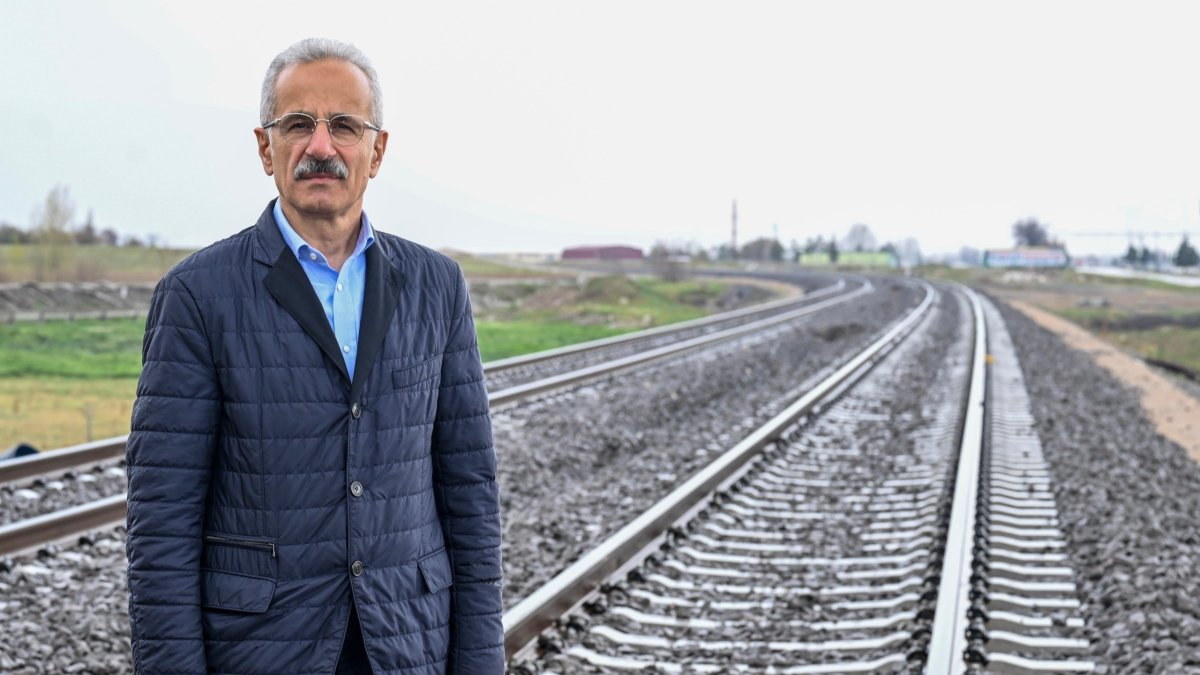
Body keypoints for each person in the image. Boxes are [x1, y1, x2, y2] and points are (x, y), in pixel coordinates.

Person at [125, 38, 503, 674]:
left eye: (345, 127)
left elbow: (470, 496)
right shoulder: (197, 295)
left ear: (376, 150)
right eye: (298, 124)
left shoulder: (437, 287)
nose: (321, 147)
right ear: (264, 146)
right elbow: (162, 526)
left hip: (407, 643)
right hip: (259, 651)